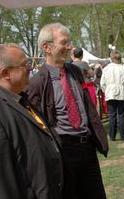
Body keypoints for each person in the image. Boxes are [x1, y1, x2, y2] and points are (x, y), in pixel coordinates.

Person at [25, 23, 108, 199]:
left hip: (87, 148)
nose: (70, 47)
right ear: (47, 47)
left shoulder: (76, 72)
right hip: (63, 151)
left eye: (69, 42)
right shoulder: (37, 83)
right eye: (64, 42)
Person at [0, 44, 63, 199]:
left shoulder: (22, 99)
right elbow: (5, 182)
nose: (30, 68)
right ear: (6, 73)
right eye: (25, 65)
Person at [100, 50, 124, 141]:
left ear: (111, 58)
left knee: (112, 115)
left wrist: (106, 91)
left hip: (110, 93)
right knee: (121, 115)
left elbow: (102, 83)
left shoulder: (106, 69)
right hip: (122, 92)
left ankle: (112, 136)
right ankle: (123, 136)